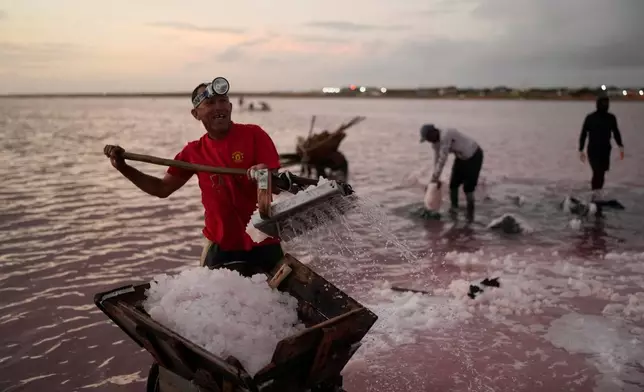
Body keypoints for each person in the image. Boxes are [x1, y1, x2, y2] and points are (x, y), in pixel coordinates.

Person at [104, 77, 284, 276]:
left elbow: (275, 184)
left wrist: (264, 173)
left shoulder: (254, 134)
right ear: (196, 114)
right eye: (209, 103)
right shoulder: (193, 152)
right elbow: (161, 189)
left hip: (265, 241)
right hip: (221, 246)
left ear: (231, 107)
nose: (218, 107)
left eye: (223, 101)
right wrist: (123, 168)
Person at [419, 124, 484, 223]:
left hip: (474, 155)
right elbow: (437, 160)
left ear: (433, 132)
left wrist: (435, 177)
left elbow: (443, 158)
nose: (428, 141)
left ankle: (470, 215)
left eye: (428, 138)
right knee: (453, 185)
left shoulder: (446, 134)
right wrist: (435, 179)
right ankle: (454, 210)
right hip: (461, 158)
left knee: (468, 188)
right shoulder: (435, 144)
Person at [578, 95, 624, 201]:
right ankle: (594, 195)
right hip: (593, 150)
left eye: (607, 103)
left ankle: (598, 193)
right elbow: (583, 134)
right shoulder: (590, 118)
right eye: (603, 103)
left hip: (605, 149)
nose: (605, 105)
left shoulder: (611, 118)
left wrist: (620, 146)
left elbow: (616, 132)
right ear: (598, 104)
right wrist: (581, 149)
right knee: (597, 172)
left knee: (602, 173)